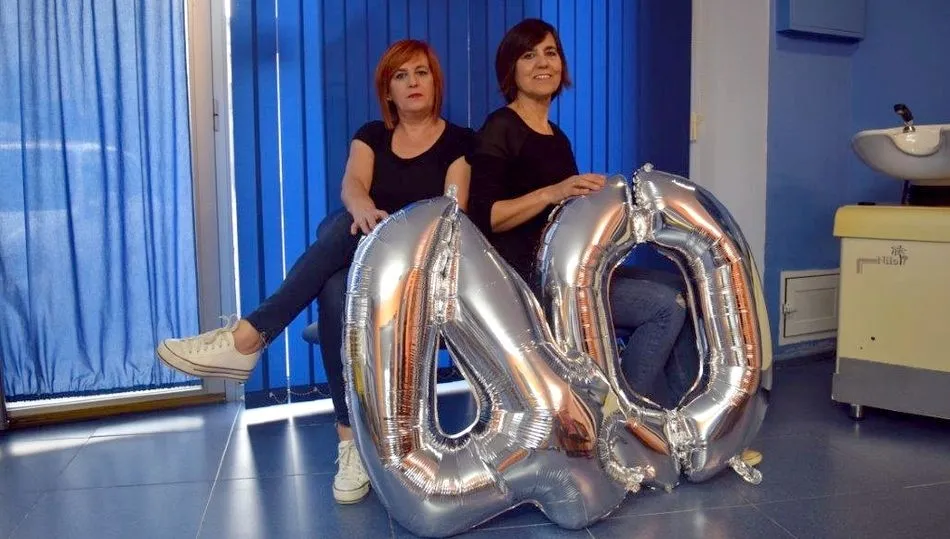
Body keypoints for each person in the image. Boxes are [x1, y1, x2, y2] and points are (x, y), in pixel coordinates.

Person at [156, 39, 476, 503]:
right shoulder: (371, 134)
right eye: (400, 76)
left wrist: (388, 230)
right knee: (333, 283)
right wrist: (365, 208)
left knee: (341, 236)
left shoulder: (460, 141)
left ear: (435, 82)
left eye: (421, 73)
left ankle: (249, 337)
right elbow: (353, 183)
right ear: (387, 92)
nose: (412, 83)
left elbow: (451, 212)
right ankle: (351, 446)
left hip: (423, 266)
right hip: (364, 257)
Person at [466, 18, 761, 468]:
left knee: (685, 291)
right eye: (528, 55)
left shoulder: (555, 136)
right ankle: (627, 432)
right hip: (533, 283)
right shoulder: (501, 127)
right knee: (666, 307)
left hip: (573, 270)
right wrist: (554, 191)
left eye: (550, 53)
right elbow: (486, 216)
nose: (542, 63)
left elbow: (565, 217)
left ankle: (697, 432)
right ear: (511, 71)